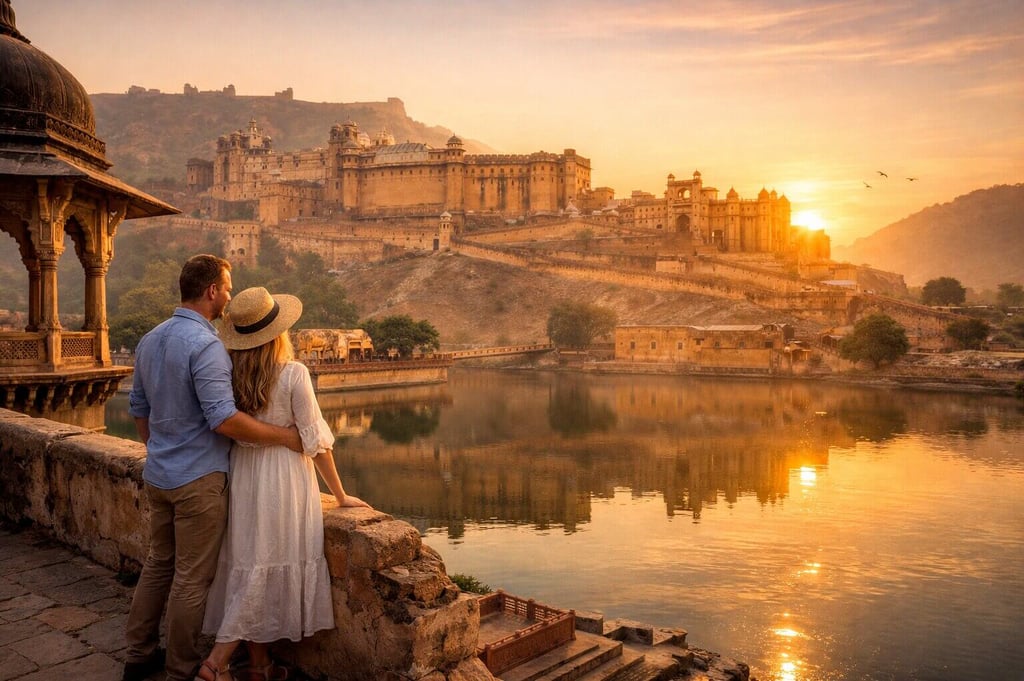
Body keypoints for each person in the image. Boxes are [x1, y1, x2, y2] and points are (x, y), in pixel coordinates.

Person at [124, 255, 305, 681]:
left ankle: (138, 654)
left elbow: (138, 409)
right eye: (227, 288)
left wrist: (158, 449)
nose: (229, 295)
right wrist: (285, 437)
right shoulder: (206, 346)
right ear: (211, 291)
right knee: (190, 578)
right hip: (198, 480)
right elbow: (223, 419)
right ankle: (182, 668)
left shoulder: (150, 339)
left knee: (159, 564)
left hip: (159, 475)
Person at [196, 287, 370, 681]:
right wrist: (340, 495)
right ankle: (215, 663)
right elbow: (316, 441)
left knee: (249, 562)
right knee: (262, 567)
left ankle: (260, 666)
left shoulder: (229, 373)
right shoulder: (293, 373)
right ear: (279, 332)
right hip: (284, 479)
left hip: (243, 474)